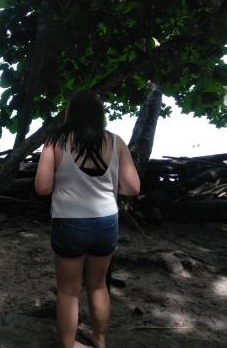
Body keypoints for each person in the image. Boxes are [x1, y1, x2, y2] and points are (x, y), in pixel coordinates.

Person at [35, 90, 140, 348]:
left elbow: (42, 187)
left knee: (68, 291)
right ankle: (99, 340)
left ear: (70, 114)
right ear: (99, 115)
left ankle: (70, 345)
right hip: (105, 222)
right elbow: (132, 188)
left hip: (69, 222)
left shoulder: (55, 142)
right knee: (98, 286)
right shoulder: (116, 142)